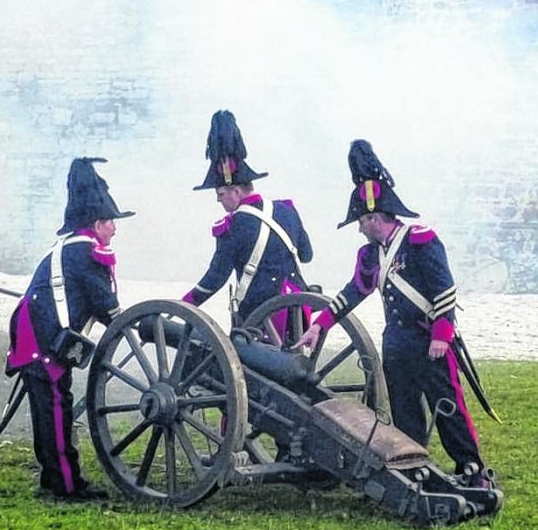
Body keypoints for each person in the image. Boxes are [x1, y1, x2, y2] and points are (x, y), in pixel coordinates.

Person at [294, 140, 492, 484]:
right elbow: (355, 290)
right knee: (404, 407)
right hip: (397, 343)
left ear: (373, 217)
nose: (358, 227)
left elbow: (444, 288)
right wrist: (321, 324)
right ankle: (415, 465)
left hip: (428, 338)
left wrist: (441, 335)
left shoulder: (419, 240)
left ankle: (471, 467)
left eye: (360, 220)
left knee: (447, 405)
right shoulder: (371, 255)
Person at [5, 157, 134, 502]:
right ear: (96, 222)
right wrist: (132, 326)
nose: (114, 229)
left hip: (38, 332)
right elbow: (104, 302)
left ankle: (53, 477)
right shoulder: (85, 251)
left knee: (49, 405)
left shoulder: (73, 248)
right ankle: (65, 484)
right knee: (55, 406)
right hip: (41, 337)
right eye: (110, 222)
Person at [181, 110, 313, 327]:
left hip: (260, 319)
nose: (218, 201)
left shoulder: (232, 227)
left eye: (220, 194)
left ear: (235, 190)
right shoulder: (287, 210)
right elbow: (307, 255)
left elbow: (216, 278)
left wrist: (184, 305)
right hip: (297, 312)